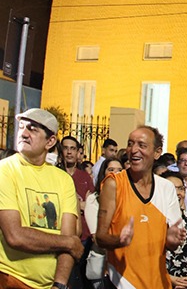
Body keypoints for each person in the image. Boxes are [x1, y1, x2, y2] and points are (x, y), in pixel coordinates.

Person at [0, 108, 83, 289]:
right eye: (21, 127)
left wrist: (59, 284)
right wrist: (68, 242)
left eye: (32, 129)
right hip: (10, 279)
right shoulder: (5, 170)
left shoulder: (64, 180)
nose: (23, 133)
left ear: (50, 141)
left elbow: (69, 236)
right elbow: (14, 236)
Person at [95, 126, 186, 289]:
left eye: (142, 145)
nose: (134, 150)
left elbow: (172, 242)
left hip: (158, 283)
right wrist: (119, 240)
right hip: (121, 283)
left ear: (157, 153)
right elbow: (100, 237)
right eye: (130, 144)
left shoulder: (166, 188)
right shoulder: (114, 184)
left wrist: (172, 240)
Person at [61, 135, 96, 289]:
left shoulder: (85, 177)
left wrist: (85, 205)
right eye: (65, 148)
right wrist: (78, 204)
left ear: (78, 152)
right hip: (61, 235)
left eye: (73, 148)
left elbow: (91, 204)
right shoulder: (54, 174)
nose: (69, 152)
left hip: (84, 236)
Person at [84, 157, 123, 288]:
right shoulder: (93, 200)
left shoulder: (128, 200)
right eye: (111, 170)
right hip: (102, 267)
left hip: (124, 268)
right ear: (104, 173)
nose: (115, 173)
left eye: (119, 170)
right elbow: (97, 237)